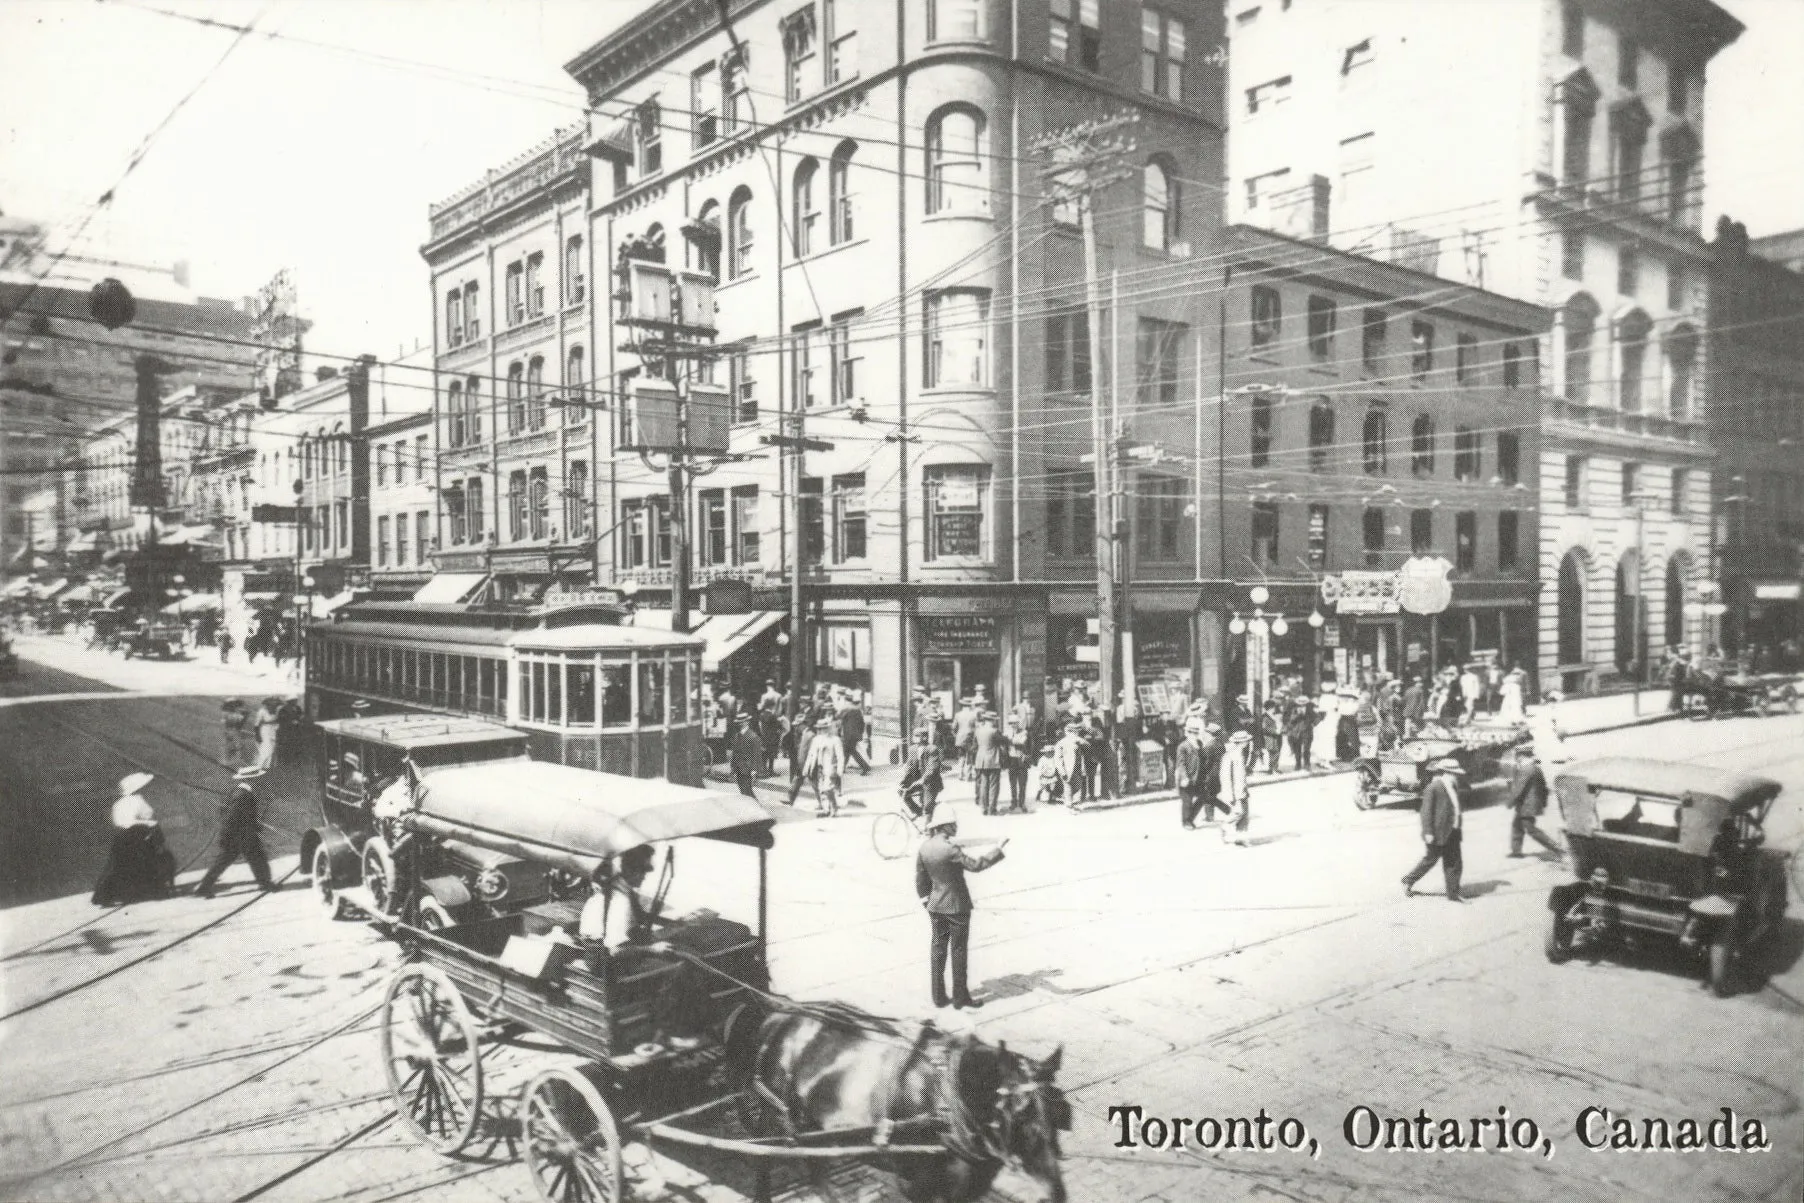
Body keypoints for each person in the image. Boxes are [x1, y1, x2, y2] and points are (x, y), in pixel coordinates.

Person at [915, 803, 1005, 1010]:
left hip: (935, 907)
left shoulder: (925, 847)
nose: (956, 828)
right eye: (953, 824)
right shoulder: (951, 849)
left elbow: (920, 879)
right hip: (957, 907)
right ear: (944, 826)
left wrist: (926, 900)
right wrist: (998, 850)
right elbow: (975, 866)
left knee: (938, 950)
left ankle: (938, 997)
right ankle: (959, 997)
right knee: (958, 951)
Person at [92, 772, 176, 906]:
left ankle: (105, 896)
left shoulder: (117, 804)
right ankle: (152, 890)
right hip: (138, 834)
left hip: (121, 836)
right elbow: (149, 817)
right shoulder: (139, 800)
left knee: (118, 865)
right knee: (147, 861)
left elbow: (117, 821)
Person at [193, 766, 275, 898]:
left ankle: (203, 887)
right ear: (250, 779)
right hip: (238, 835)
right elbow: (233, 817)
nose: (260, 781)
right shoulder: (242, 794)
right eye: (257, 778)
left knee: (228, 860)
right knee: (255, 857)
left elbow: (235, 814)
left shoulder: (238, 792)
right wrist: (247, 829)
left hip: (238, 834)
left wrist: (253, 826)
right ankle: (266, 883)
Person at [1402, 758, 1466, 902]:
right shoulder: (1434, 788)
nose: (1456, 776)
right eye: (1453, 773)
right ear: (1445, 773)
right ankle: (1408, 880)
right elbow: (1426, 812)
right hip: (1437, 832)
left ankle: (1453, 893)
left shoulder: (1453, 786)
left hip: (1453, 830)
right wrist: (1428, 832)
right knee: (1430, 860)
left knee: (1454, 862)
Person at [1506, 747, 1562, 859]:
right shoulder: (1536, 768)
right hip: (1531, 804)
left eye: (1517, 756)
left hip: (1527, 805)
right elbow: (1543, 787)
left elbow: (1518, 788)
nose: (1517, 759)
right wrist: (1543, 802)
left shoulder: (1526, 769)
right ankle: (1516, 851)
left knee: (1530, 829)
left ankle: (1555, 847)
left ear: (1521, 756)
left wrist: (1510, 802)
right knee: (1517, 825)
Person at [801, 714, 845, 817]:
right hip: (818, 768)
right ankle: (827, 809)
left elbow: (840, 756)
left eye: (824, 728)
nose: (822, 731)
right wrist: (806, 768)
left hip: (830, 768)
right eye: (820, 729)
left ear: (828, 728)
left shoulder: (835, 740)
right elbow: (811, 755)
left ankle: (834, 807)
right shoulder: (817, 739)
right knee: (822, 790)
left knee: (828, 789)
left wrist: (840, 770)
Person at [899, 727, 944, 817]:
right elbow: (909, 766)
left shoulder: (932, 749)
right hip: (917, 781)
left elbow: (932, 769)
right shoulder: (912, 749)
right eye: (914, 735)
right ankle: (918, 812)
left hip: (930, 783)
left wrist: (922, 780)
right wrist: (904, 781)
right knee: (902, 792)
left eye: (917, 736)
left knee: (927, 806)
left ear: (924, 737)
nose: (914, 738)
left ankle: (928, 828)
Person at [1221, 729, 1253, 846]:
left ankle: (1241, 838)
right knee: (1238, 813)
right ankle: (1225, 826)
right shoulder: (1230, 755)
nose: (1248, 742)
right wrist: (1229, 793)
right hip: (1235, 791)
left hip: (1242, 790)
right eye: (1246, 741)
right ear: (1241, 742)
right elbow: (1225, 776)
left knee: (1244, 815)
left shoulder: (1241, 753)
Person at [1175, 721, 1206, 829]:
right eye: (1191, 733)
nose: (1194, 735)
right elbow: (1181, 764)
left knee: (1202, 797)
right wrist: (1184, 777)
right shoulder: (1182, 746)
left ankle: (1190, 818)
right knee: (1187, 801)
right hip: (1186, 778)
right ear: (1187, 733)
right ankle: (1186, 822)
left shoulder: (1199, 744)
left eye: (1196, 733)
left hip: (1197, 777)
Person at [837, 690, 872, 774]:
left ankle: (865, 767)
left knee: (851, 751)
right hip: (855, 735)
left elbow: (839, 719)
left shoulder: (845, 709)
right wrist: (860, 733)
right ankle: (842, 769)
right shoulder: (857, 710)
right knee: (847, 751)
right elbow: (862, 723)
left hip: (848, 735)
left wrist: (840, 732)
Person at [730, 714, 764, 799]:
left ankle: (755, 807)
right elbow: (734, 753)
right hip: (738, 768)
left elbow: (756, 755)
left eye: (741, 722)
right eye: (738, 722)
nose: (739, 724)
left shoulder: (753, 737)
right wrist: (733, 768)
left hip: (747, 769)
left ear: (747, 723)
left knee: (747, 792)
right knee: (743, 791)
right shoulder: (737, 736)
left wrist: (754, 770)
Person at [1004, 714, 1031, 812]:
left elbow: (1022, 742)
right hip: (1011, 759)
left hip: (1021, 759)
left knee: (1022, 783)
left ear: (1018, 723)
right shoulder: (1007, 732)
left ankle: (1022, 802)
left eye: (1014, 723)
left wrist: (1009, 739)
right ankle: (1013, 802)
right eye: (1011, 723)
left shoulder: (1024, 732)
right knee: (1013, 783)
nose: (1012, 725)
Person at [1284, 693, 1317, 771]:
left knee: (1306, 749)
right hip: (1296, 732)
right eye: (1300, 703)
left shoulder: (1310, 709)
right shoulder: (1294, 709)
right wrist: (1297, 715)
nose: (1302, 705)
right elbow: (1290, 720)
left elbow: (1317, 718)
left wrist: (1312, 724)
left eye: (1304, 703)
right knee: (1297, 749)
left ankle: (1307, 764)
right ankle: (1298, 764)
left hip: (1307, 731)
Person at [1055, 722, 1085, 808]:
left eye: (1077, 732)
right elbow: (1058, 759)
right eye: (1073, 732)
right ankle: (1069, 805)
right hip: (1067, 770)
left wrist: (1079, 740)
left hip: (1078, 768)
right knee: (1068, 787)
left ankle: (1075, 805)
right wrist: (1062, 771)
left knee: (1078, 787)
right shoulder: (1061, 743)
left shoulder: (1079, 741)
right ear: (1067, 732)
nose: (1075, 734)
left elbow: (1087, 746)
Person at [952, 698, 978, 781]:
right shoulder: (974, 715)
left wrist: (956, 735)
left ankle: (960, 773)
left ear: (962, 705)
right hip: (970, 737)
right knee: (970, 756)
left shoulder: (958, 714)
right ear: (970, 705)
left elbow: (953, 727)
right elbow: (977, 726)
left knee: (961, 756)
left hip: (960, 737)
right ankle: (968, 775)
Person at [254, 696, 283, 770]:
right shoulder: (262, 711)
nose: (273, 705)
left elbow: (279, 721)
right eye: (271, 704)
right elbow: (256, 724)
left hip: (273, 731)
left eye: (275, 704)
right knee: (266, 748)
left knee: (272, 749)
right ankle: (260, 767)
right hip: (265, 731)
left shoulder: (276, 712)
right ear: (267, 704)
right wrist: (257, 736)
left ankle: (267, 768)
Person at [1260, 701, 1284, 774]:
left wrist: (1281, 729)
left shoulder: (1274, 715)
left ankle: (1274, 768)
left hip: (1277, 737)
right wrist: (1275, 731)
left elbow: (1279, 723)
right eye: (1273, 707)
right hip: (1270, 737)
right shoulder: (1265, 717)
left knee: (1277, 752)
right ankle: (1272, 769)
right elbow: (1264, 728)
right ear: (1270, 708)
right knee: (1273, 752)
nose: (1274, 709)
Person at [1666, 648, 1690, 714]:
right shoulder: (1673, 661)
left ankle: (1674, 707)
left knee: (1676, 690)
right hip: (1675, 680)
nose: (1668, 655)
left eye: (1669, 653)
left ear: (1674, 654)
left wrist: (1677, 659)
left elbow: (1684, 665)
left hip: (1680, 680)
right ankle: (1675, 707)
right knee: (1676, 690)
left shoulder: (1678, 660)